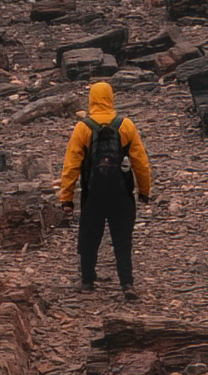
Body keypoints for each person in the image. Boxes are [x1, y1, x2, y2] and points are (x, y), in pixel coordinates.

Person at [55, 80, 152, 293]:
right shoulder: (126, 125)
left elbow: (71, 166)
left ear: (91, 100)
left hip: (93, 192)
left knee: (89, 234)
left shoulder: (83, 128)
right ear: (110, 98)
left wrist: (66, 198)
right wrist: (144, 191)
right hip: (121, 192)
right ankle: (127, 283)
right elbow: (141, 163)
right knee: (122, 238)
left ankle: (87, 280)